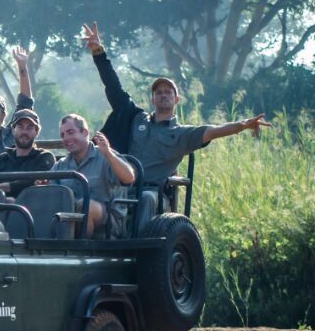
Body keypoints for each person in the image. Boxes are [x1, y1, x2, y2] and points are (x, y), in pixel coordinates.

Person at [82, 22, 271, 212]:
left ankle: (140, 233)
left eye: (168, 92)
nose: (163, 95)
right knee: (92, 195)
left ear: (176, 99)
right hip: (121, 187)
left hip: (153, 194)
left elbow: (215, 131)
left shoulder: (182, 134)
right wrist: (98, 53)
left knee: (145, 198)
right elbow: (113, 87)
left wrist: (244, 125)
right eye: (158, 92)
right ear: (153, 99)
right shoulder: (136, 118)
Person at [51, 114, 135, 237]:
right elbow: (51, 194)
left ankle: (80, 247)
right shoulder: (61, 165)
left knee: (85, 206)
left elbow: (129, 178)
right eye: (63, 135)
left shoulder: (105, 155)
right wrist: (42, 185)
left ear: (85, 132)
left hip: (108, 221)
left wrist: (108, 153)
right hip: (69, 218)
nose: (66, 138)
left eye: (70, 132)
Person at [0, 108, 56, 199]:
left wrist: (7, 187)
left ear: (36, 131)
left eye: (29, 127)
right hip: (1, 206)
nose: (24, 132)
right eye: (20, 126)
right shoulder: (3, 158)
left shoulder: (45, 157)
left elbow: (38, 180)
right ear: (13, 130)